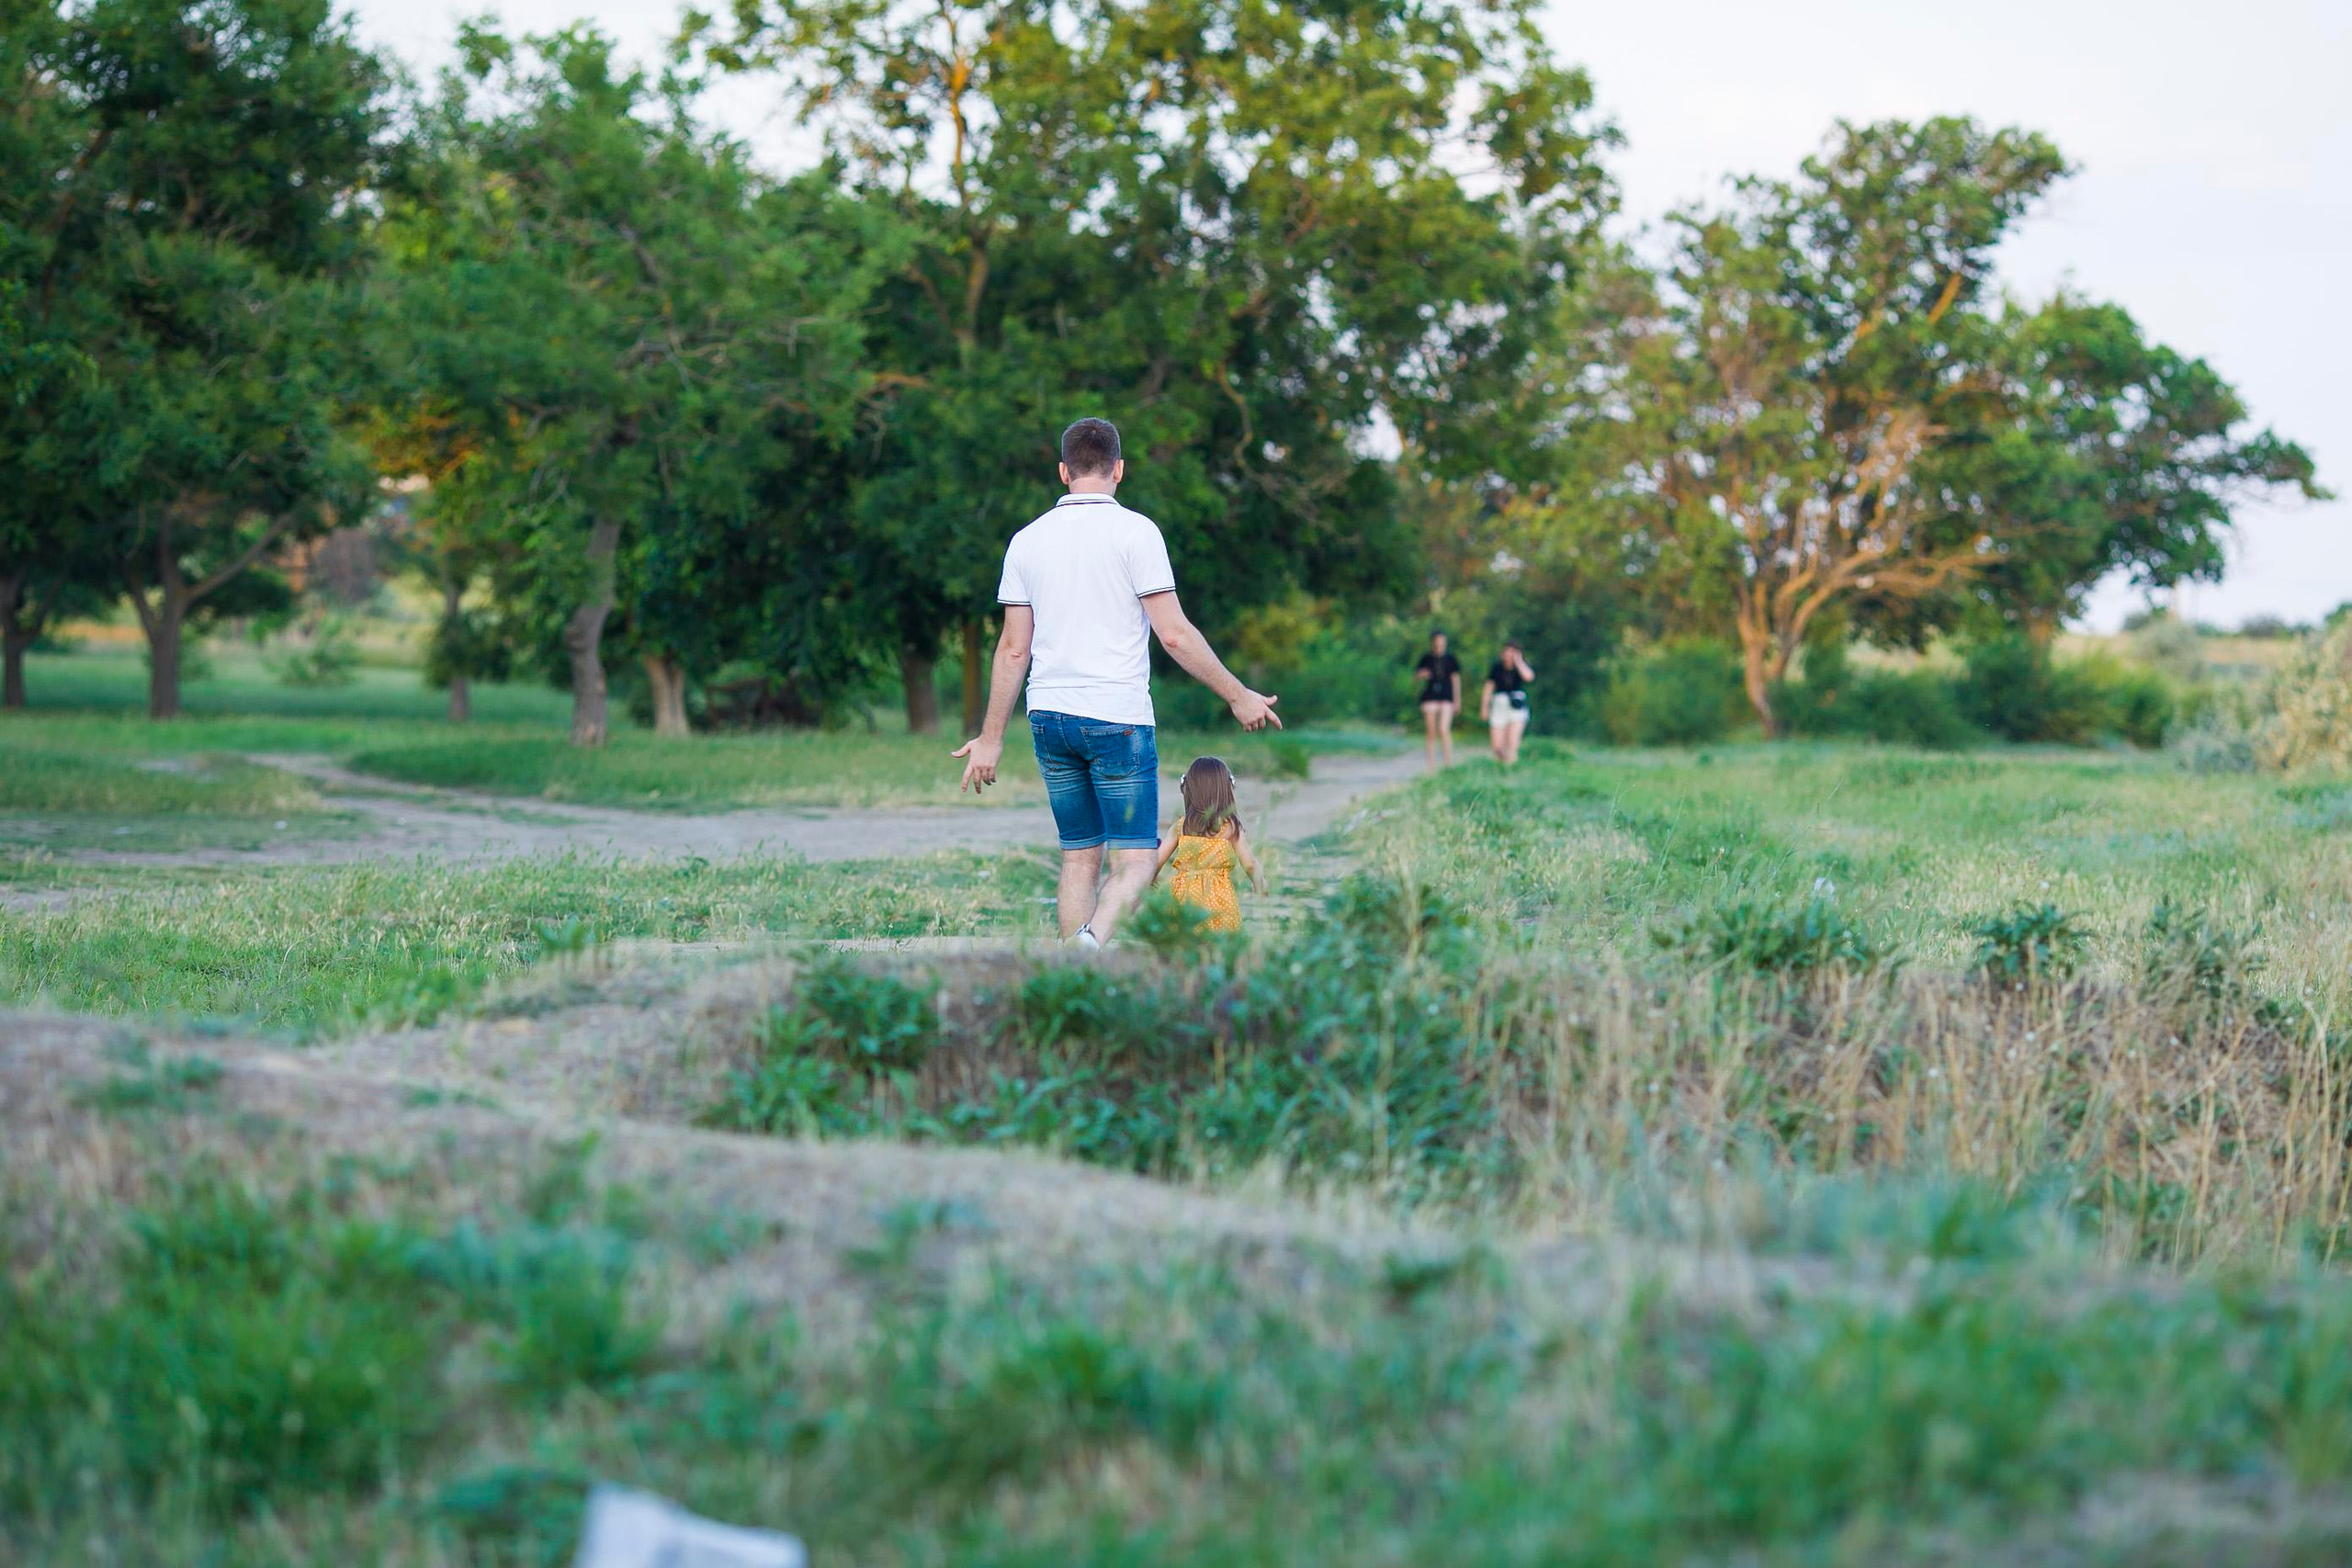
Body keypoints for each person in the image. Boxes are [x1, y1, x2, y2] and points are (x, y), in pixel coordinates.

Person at [954, 417, 1281, 949]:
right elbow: (1173, 635)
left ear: (1063, 471)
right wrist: (1237, 694)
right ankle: (1088, 948)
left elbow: (1014, 649)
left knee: (1079, 858)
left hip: (1050, 720)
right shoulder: (1137, 533)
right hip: (1117, 719)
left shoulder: (1026, 541)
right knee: (1132, 863)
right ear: (1118, 470)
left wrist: (990, 739)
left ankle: (1071, 973)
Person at [1151, 756, 1261, 932]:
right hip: (1219, 900)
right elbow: (1249, 864)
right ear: (1227, 789)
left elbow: (1155, 861)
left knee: (1183, 939)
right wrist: (1260, 883)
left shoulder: (1181, 826)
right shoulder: (1231, 827)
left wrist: (1151, 879)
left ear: (1188, 789)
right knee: (1219, 940)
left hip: (1183, 900)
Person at [1412, 630, 1462, 771]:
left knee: (1444, 729)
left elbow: (1456, 680)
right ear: (1432, 642)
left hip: (1446, 697)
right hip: (1430, 696)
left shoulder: (1451, 658)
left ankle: (1447, 763)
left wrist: (1457, 700)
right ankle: (1431, 766)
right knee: (1431, 731)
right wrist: (1420, 675)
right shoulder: (1426, 658)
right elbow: (1416, 677)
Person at [1481, 638, 1534, 766]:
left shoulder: (1520, 667)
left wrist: (1519, 662)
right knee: (1497, 746)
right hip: (1499, 704)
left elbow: (1529, 677)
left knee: (1512, 743)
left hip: (1516, 705)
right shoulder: (1496, 668)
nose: (1509, 655)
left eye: (1513, 652)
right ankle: (1503, 764)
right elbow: (1488, 687)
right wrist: (1484, 707)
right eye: (1507, 651)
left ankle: (1510, 769)